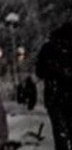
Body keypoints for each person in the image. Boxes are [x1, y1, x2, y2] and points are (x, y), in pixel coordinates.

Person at [37, 21, 72, 150]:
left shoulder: (49, 48)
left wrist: (53, 72)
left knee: (59, 133)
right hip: (66, 95)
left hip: (54, 95)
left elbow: (39, 72)